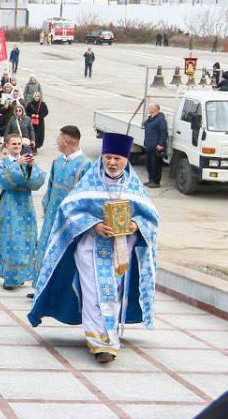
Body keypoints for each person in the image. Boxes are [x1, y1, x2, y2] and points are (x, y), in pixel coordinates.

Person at [29, 133, 159, 363]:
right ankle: (101, 344)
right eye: (108, 157)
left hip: (121, 250)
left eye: (117, 158)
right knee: (94, 293)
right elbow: (68, 209)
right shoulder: (90, 181)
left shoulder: (134, 186)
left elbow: (150, 217)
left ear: (126, 160)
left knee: (115, 293)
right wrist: (94, 224)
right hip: (90, 247)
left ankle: (109, 335)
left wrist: (134, 224)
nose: (111, 162)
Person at [34, 126, 91, 292]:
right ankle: (41, 287)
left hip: (69, 221)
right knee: (45, 249)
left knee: (63, 254)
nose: (56, 142)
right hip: (52, 217)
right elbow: (50, 188)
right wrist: (46, 209)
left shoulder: (85, 165)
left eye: (58, 138)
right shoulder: (57, 162)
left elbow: (86, 197)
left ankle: (58, 290)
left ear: (66, 141)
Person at [0, 134, 46, 290]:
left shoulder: (27, 161)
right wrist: (17, 165)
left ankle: (22, 276)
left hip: (25, 206)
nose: (17, 146)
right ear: (6, 146)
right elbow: (3, 181)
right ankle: (9, 278)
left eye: (19, 144)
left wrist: (29, 167)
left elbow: (37, 183)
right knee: (11, 241)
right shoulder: (0, 163)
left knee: (26, 242)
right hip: (9, 207)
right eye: (14, 144)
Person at [142, 103, 168, 188]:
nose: (149, 109)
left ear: (156, 109)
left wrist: (161, 144)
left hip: (156, 146)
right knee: (149, 164)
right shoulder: (150, 118)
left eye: (151, 108)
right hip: (149, 145)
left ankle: (156, 182)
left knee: (156, 165)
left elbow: (164, 132)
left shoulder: (161, 119)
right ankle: (151, 180)